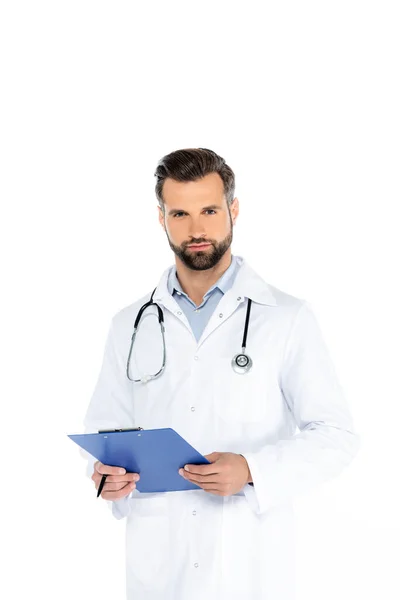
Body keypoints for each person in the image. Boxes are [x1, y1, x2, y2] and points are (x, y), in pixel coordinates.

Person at [82, 147, 360, 600]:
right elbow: (105, 432)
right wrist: (107, 477)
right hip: (158, 568)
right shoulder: (128, 324)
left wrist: (253, 469)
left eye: (209, 210)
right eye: (180, 213)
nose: (196, 229)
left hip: (248, 566)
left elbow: (336, 435)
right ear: (161, 218)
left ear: (233, 209)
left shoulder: (286, 318)